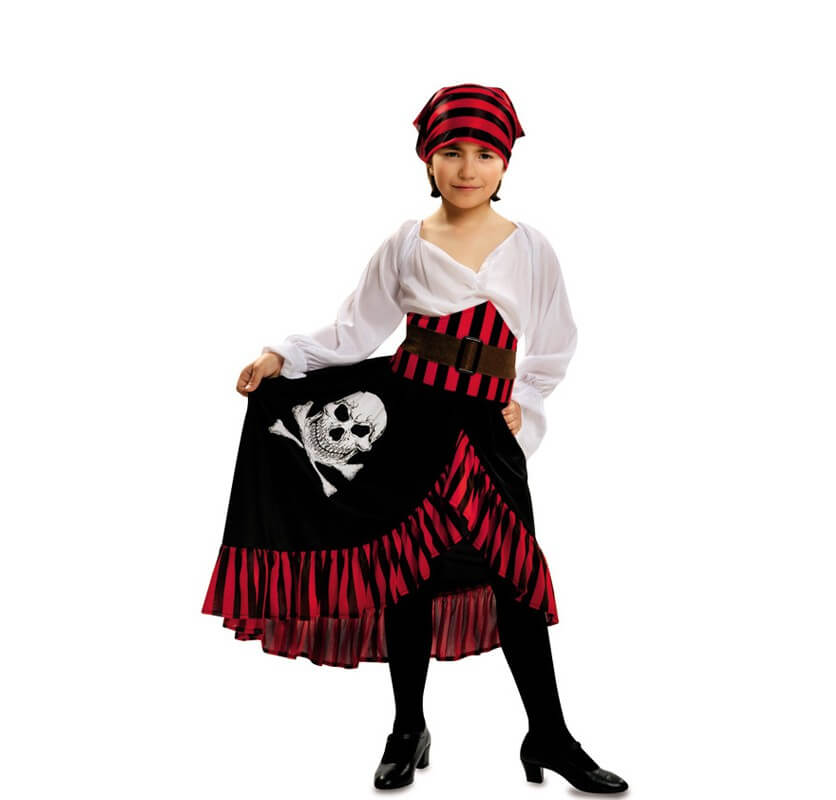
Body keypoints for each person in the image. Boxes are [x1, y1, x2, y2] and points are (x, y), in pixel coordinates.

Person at [201, 83, 628, 794]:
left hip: (486, 428)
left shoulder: (532, 249)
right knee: (409, 572)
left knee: (517, 579)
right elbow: (354, 331)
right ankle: (408, 727)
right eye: (452, 151)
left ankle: (548, 734)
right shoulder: (405, 244)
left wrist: (525, 399)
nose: (468, 167)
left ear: (506, 163)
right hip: (413, 419)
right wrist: (282, 356)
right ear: (428, 160)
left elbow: (554, 343)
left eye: (484, 153)